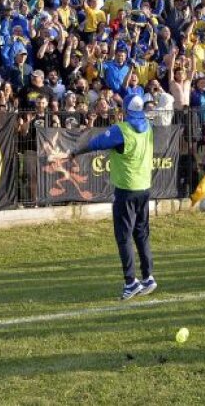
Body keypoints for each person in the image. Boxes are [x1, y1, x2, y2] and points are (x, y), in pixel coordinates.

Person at [50, 95, 158, 301]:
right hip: (144, 188)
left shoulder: (122, 130)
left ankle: (130, 282)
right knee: (141, 233)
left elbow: (96, 143)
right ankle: (148, 277)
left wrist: (73, 153)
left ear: (126, 110)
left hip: (126, 190)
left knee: (123, 236)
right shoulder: (148, 127)